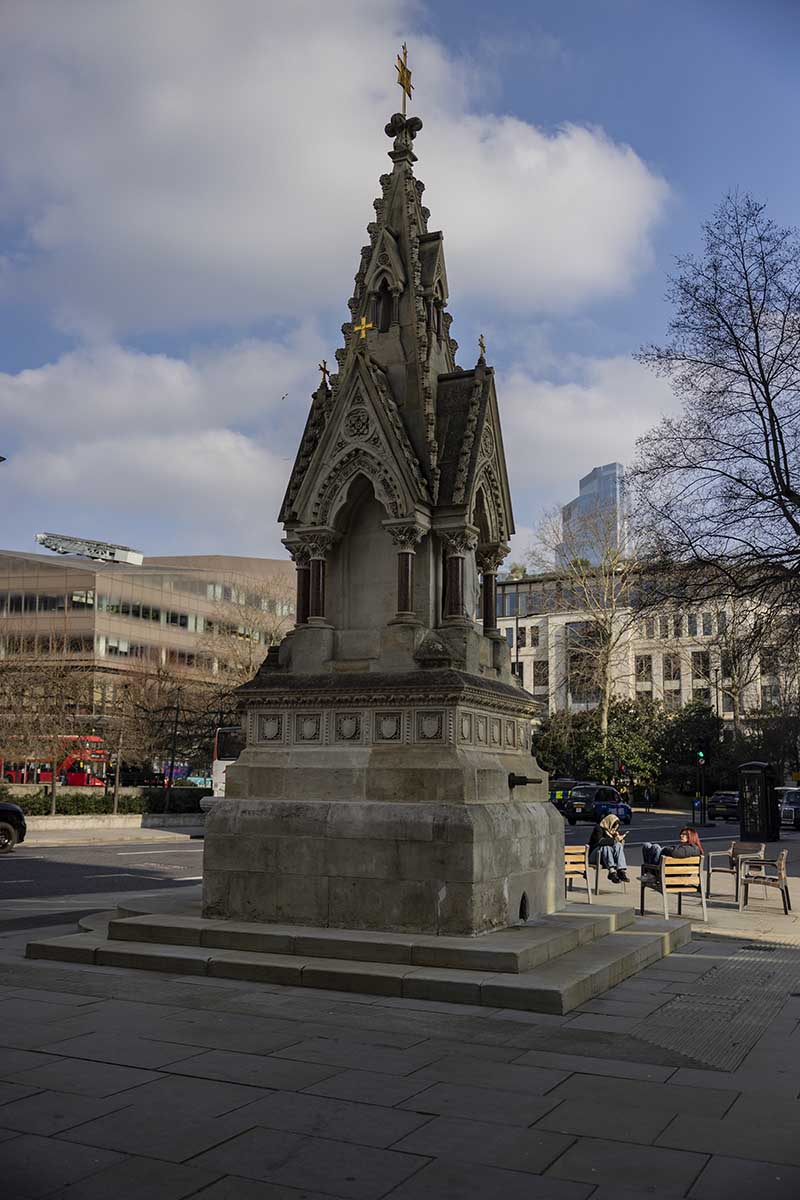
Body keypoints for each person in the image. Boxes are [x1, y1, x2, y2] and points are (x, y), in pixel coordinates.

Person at [588, 813, 629, 884]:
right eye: (613, 827)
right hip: (595, 855)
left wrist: (620, 840)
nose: (614, 829)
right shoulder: (598, 828)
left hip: (607, 858)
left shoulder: (612, 832)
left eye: (616, 828)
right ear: (609, 823)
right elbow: (600, 841)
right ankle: (612, 871)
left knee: (618, 845)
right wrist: (614, 840)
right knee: (605, 846)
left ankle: (621, 870)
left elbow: (616, 847)